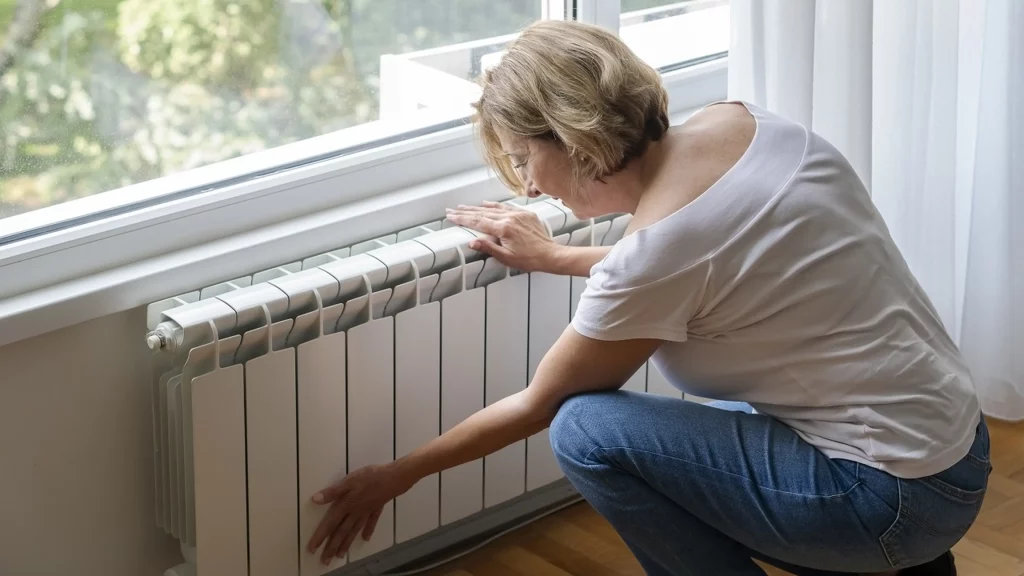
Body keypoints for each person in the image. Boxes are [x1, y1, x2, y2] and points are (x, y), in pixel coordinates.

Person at [307, 19, 990, 576]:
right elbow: (720, 262)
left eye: (522, 159)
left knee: (584, 430)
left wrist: (397, 475)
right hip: (955, 448)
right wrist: (555, 256)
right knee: (718, 396)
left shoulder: (654, 257)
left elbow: (538, 406)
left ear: (570, 134)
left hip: (887, 502)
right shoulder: (750, 125)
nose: (530, 189)